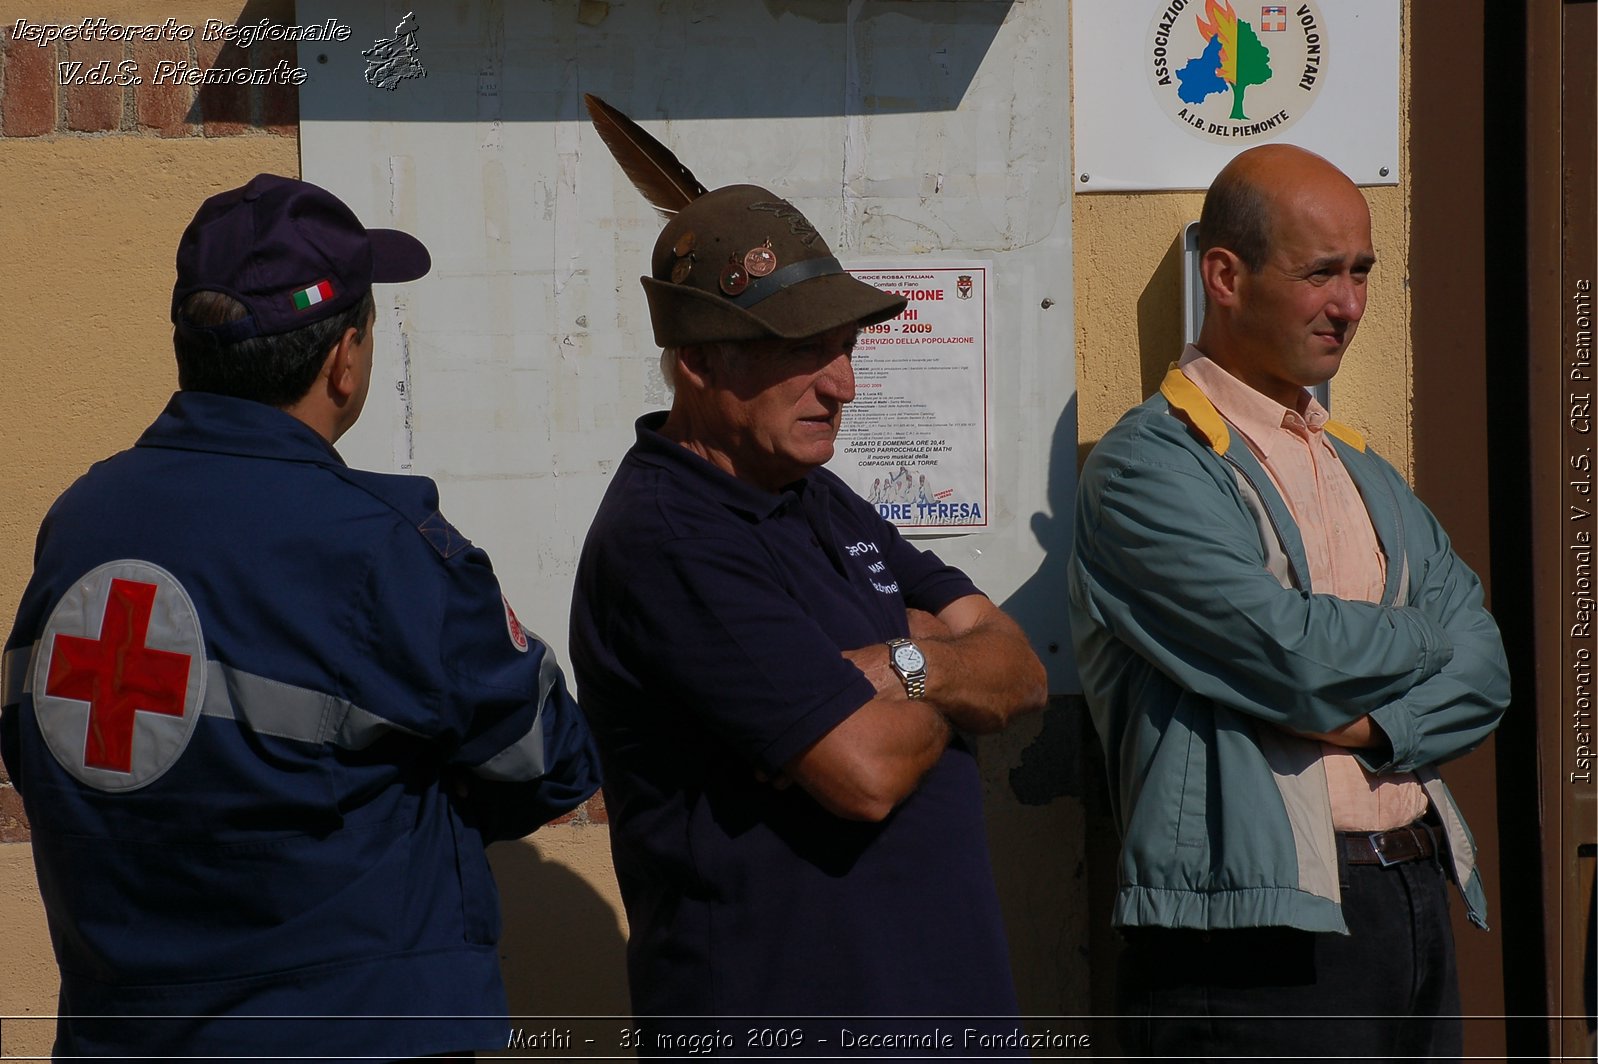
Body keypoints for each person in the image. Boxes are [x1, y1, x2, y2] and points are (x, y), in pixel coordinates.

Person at [0, 174, 600, 1061]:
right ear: (344, 360)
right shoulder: (380, 543)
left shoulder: (81, 518)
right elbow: (549, 759)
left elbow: (39, 744)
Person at [569, 183, 1048, 1047]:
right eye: (803, 351)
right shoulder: (671, 535)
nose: (846, 386)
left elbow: (1022, 669)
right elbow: (865, 774)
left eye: (846, 347)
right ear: (700, 362)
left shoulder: (818, 497)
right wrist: (939, 648)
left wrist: (912, 667)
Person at [1068, 143, 1510, 1060]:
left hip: (1414, 892)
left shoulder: (1358, 465)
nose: (1348, 305)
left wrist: (1374, 731)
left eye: (1360, 273)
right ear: (1224, 275)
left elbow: (1489, 666)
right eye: (1320, 274)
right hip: (1253, 933)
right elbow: (1295, 656)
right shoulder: (1147, 467)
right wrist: (1425, 641)